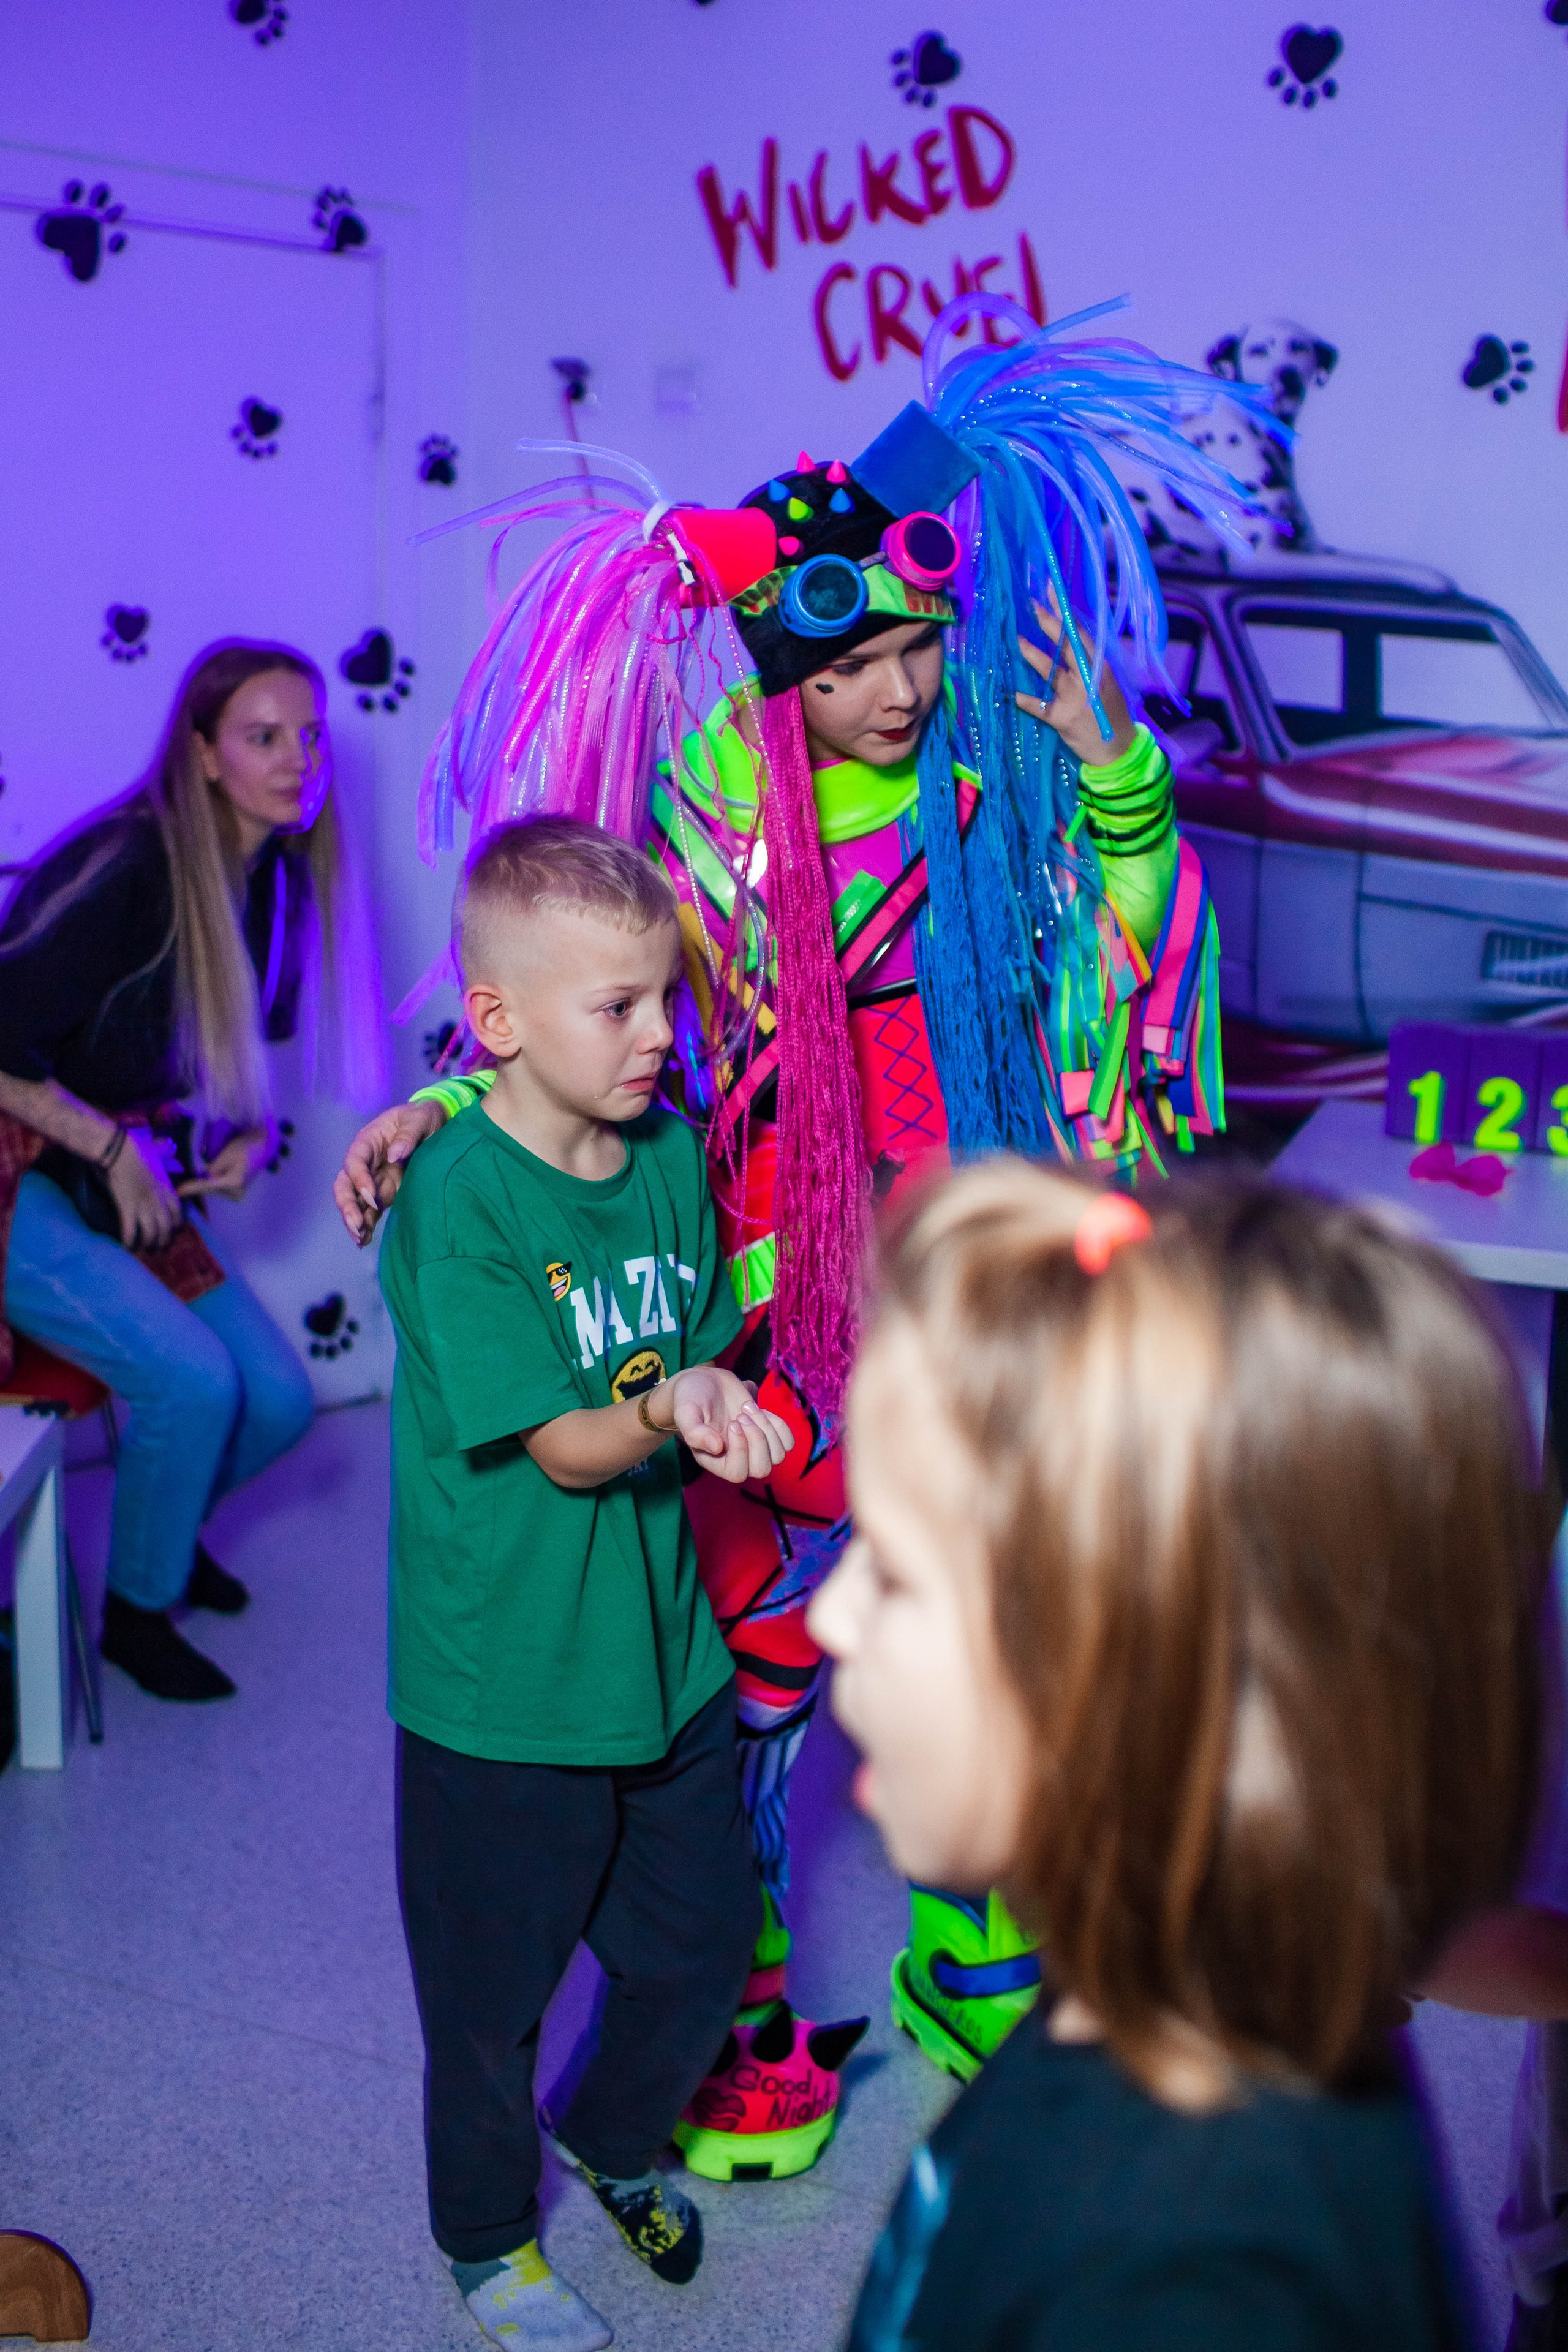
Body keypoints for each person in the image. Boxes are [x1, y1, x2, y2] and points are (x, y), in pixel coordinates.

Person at [334, 292, 1267, 2169]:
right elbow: (587, 1004)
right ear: (782, 676)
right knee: (755, 1661)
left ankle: (975, 1962)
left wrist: (1116, 777)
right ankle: (734, 2002)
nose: (899, 693)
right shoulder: (706, 813)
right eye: (855, 669)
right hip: (772, 1305)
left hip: (971, 1286)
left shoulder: (994, 786)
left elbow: (1121, 970)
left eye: (920, 648)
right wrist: (452, 1099)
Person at [812, 1161, 1545, 2351]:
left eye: (891, 1572)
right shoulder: (1135, 1992)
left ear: (1131, 1679)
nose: (828, 1617)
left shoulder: (1201, 2290)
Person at [381, 816, 793, 2351]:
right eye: (615, 1006)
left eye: (664, 997)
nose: (658, 1033)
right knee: (489, 2003)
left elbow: (700, 1343)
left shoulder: (671, 1154)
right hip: (502, 1689)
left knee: (699, 1950)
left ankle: (609, 2135)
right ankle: (490, 2244)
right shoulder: (458, 1200)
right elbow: (565, 1446)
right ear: (496, 1021)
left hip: (665, 1658)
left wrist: (721, 1398)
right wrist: (674, 1404)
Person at [0, 639, 382, 1702]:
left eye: (311, 735)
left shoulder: (272, 878)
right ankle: (137, 1611)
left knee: (277, 1400)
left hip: (112, 1168)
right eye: (265, 737)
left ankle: (162, 1536)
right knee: (193, 1381)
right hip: (22, 1175)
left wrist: (244, 1135)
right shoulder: (133, 863)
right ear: (205, 753)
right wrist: (112, 1147)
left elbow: (207, 1051)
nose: (299, 759)